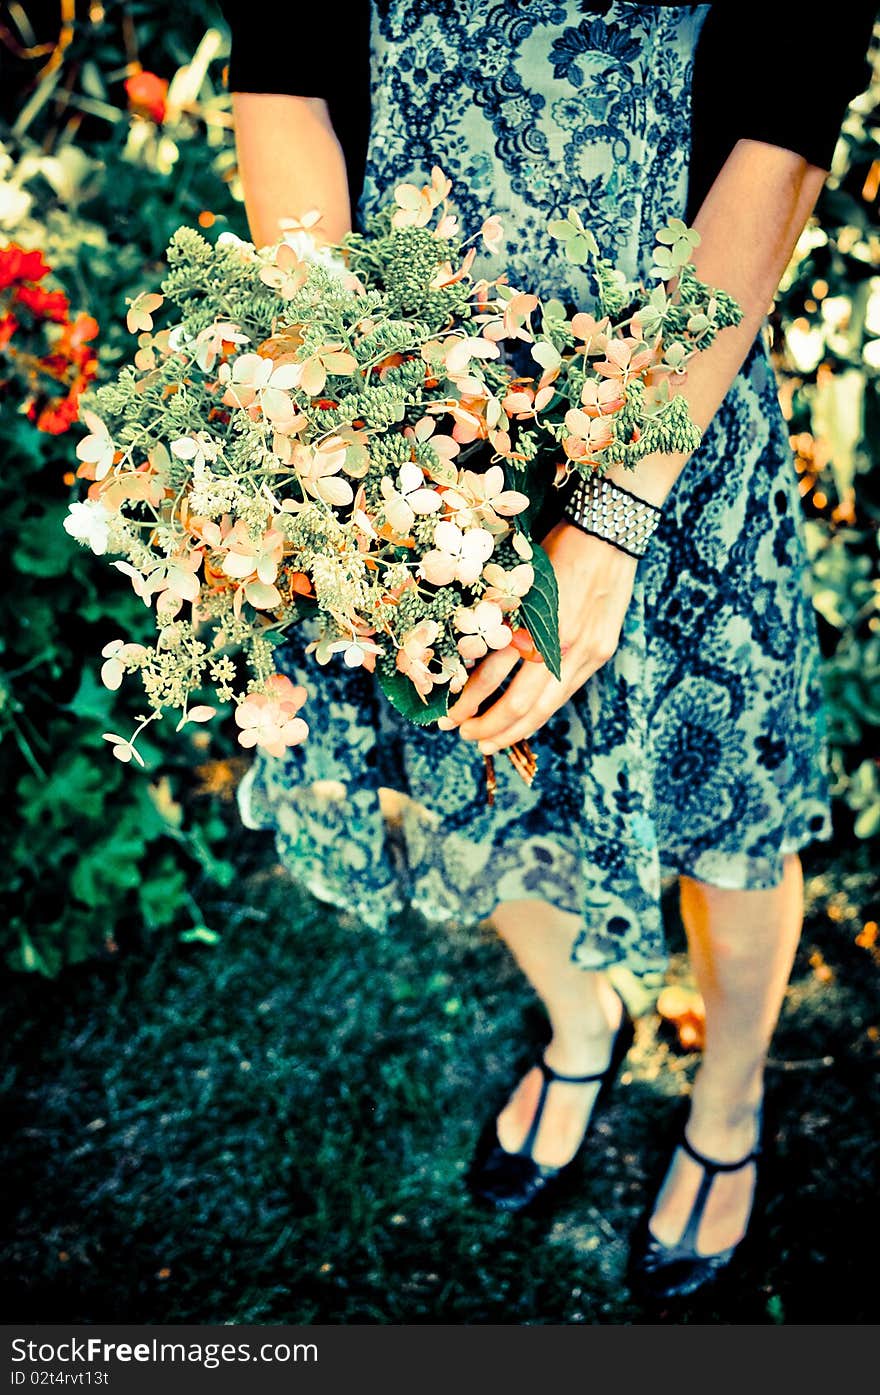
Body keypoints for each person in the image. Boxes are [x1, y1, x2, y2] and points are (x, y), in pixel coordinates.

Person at [219, 1, 877, 1301]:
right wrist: (363, 432)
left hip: (667, 400)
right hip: (414, 419)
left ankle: (729, 1105)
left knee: (730, 809)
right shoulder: (392, 438)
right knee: (456, 758)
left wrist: (616, 512)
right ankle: (583, 1027)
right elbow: (287, 76)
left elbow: (785, 118)